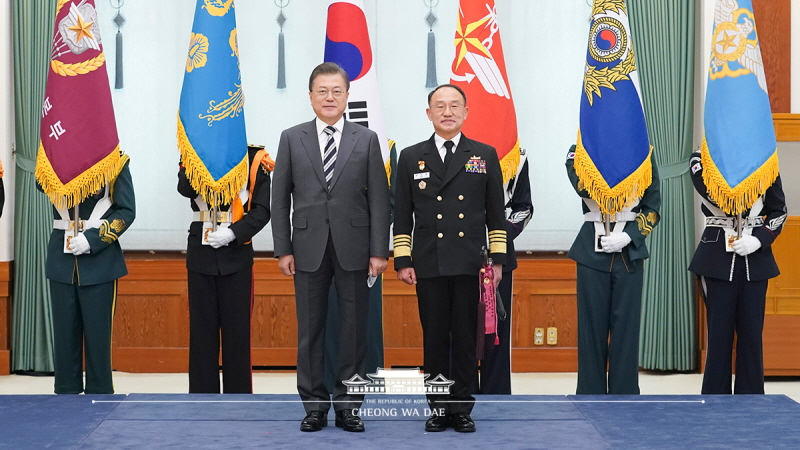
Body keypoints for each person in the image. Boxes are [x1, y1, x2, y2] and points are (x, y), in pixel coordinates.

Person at [271, 62, 390, 433]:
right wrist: (282, 249)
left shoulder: (366, 139)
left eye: (336, 91)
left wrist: (378, 251)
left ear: (347, 97)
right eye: (322, 91)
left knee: (354, 331)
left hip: (356, 248)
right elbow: (279, 200)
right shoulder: (292, 138)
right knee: (310, 331)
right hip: (306, 248)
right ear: (310, 97)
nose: (329, 97)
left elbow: (380, 202)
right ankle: (314, 406)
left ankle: (349, 405)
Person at [394, 84, 506, 432]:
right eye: (439, 106)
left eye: (455, 106)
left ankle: (461, 407)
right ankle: (438, 406)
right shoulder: (412, 157)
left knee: (464, 337)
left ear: (466, 112)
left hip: (471, 262)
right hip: (429, 262)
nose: (447, 112)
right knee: (435, 337)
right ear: (428, 113)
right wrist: (403, 258)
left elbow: (496, 215)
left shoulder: (484, 155)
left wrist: (498, 260)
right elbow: (402, 214)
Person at [688, 151, 787, 394]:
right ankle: (715, 401)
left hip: (755, 258)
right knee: (719, 337)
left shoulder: (764, 161)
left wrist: (760, 239)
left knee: (752, 336)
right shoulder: (701, 159)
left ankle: (751, 400)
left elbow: (778, 210)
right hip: (716, 259)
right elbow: (716, 195)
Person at [565, 145, 660, 395]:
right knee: (591, 332)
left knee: (627, 331)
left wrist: (630, 236)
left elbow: (653, 208)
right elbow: (582, 186)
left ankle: (625, 395)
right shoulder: (579, 151)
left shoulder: (643, 155)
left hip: (629, 253)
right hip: (590, 252)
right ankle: (589, 395)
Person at [178, 145, 272, 394]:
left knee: (237, 334)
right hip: (201, 252)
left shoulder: (254, 158)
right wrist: (199, 153)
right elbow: (184, 189)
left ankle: (239, 399)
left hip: (236, 254)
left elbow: (262, 211)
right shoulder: (194, 150)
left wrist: (233, 233)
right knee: (201, 333)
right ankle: (201, 400)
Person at [42, 151, 135, 394]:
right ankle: (66, 394)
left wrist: (94, 239)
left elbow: (126, 211)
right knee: (64, 339)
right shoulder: (56, 153)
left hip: (100, 262)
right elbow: (40, 183)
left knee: (98, 339)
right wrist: (55, 152)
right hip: (62, 261)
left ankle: (100, 395)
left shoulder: (116, 162)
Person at [478, 157, 533, 395]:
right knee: (459, 331)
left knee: (496, 332)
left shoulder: (516, 154)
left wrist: (499, 234)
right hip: (457, 251)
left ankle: (496, 397)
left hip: (499, 257)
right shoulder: (453, 145)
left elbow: (524, 208)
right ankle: (461, 397)